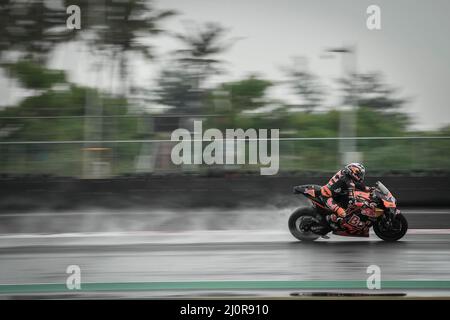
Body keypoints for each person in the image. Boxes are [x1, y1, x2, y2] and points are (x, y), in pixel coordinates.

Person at [320, 163, 372, 229]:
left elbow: (357, 185)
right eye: (359, 174)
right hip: (327, 196)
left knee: (347, 204)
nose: (360, 176)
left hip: (336, 195)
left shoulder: (345, 173)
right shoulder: (348, 181)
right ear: (354, 171)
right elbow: (352, 198)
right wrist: (361, 203)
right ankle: (328, 223)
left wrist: (370, 189)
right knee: (343, 214)